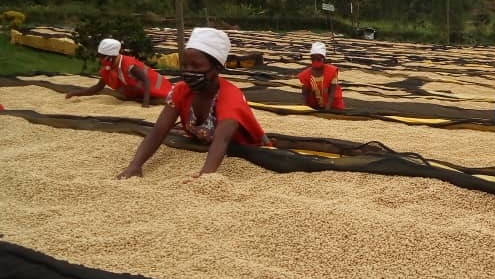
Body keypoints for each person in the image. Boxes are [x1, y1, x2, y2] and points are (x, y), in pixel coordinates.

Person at [118, 28, 269, 179]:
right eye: (185, 65)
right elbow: (158, 131)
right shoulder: (181, 90)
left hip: (244, 147)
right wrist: (135, 165)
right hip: (204, 144)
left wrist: (205, 177)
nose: (188, 71)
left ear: (217, 68)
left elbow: (221, 141)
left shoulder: (229, 96)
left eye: (196, 66)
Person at [66, 38, 171, 108]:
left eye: (103, 56)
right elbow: (98, 87)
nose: (101, 59)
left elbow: (146, 80)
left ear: (112, 56)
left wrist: (145, 103)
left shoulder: (129, 65)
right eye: (100, 56)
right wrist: (76, 93)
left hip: (159, 90)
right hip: (141, 94)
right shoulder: (108, 68)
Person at [298, 41, 345, 111]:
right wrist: (304, 106)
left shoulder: (331, 71)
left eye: (318, 59)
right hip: (315, 105)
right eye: (313, 59)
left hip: (333, 105)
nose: (315, 61)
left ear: (324, 59)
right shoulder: (305, 74)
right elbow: (305, 92)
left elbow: (332, 91)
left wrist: (327, 108)